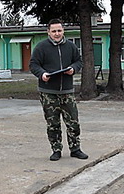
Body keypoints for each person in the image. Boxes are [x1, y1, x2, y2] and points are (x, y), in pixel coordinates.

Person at [29, 19, 88, 161]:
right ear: (48, 32)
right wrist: (42, 74)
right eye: (54, 31)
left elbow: (78, 61)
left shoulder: (71, 46)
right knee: (53, 123)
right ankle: (56, 149)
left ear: (63, 31)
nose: (57, 34)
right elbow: (33, 65)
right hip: (48, 92)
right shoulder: (41, 47)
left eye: (59, 31)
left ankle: (75, 148)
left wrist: (73, 69)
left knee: (73, 122)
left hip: (67, 91)